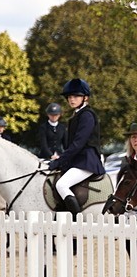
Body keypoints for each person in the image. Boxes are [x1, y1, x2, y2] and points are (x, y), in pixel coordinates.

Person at [47, 78, 104, 215]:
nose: (72, 99)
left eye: (76, 96)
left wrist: (60, 161)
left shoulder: (87, 116)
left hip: (87, 161)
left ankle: (77, 221)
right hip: (78, 160)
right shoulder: (77, 115)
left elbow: (78, 143)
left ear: (85, 97)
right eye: (70, 97)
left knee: (62, 184)